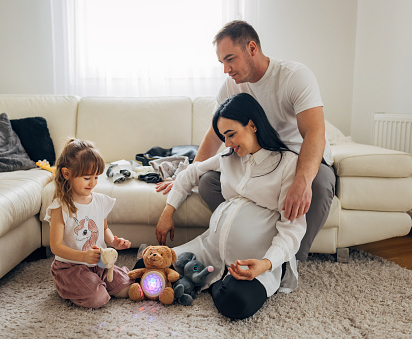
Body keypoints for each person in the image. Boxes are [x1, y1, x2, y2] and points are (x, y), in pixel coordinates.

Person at [156, 20, 335, 261]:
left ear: (252, 49)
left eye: (230, 59)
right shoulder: (231, 86)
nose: (226, 69)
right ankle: (249, 239)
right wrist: (188, 173)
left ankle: (290, 260)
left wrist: (301, 182)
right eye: (222, 62)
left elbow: (315, 133)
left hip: (297, 157)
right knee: (208, 180)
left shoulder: (294, 77)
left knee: (320, 184)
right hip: (259, 159)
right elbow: (214, 134)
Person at [154, 93, 306, 319]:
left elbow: (292, 228)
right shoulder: (228, 157)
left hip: (255, 260)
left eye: (231, 134)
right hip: (210, 249)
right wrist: (168, 211)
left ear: (252, 125)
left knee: (236, 302)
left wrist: (265, 264)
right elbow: (190, 173)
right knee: (149, 265)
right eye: (223, 137)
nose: (227, 144)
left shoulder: (287, 164)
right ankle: (209, 276)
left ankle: (205, 280)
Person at [45, 138, 133, 309]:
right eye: (87, 178)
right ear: (66, 173)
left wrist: (114, 241)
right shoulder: (60, 207)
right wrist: (83, 257)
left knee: (127, 286)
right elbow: (55, 247)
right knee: (98, 299)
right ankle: (69, 285)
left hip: (99, 263)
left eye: (96, 177)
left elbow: (104, 228)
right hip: (70, 267)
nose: (92, 183)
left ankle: (95, 282)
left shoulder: (99, 201)